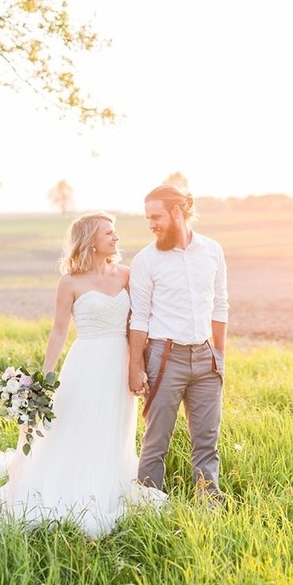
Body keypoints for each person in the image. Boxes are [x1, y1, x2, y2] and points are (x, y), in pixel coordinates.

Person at [0, 212, 166, 538]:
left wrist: (138, 365)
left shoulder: (126, 274)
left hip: (118, 364)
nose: (116, 238)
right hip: (86, 362)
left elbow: (140, 322)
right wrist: (43, 379)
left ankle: (106, 482)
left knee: (113, 428)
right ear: (90, 241)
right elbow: (58, 332)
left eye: (114, 232)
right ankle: (70, 484)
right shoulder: (70, 282)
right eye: (108, 233)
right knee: (75, 424)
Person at [128, 184, 229, 503]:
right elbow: (139, 317)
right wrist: (136, 366)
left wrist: (219, 354)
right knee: (156, 440)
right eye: (148, 218)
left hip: (205, 358)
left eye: (156, 216)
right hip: (164, 357)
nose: (151, 224)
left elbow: (221, 305)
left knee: (207, 440)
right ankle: (148, 503)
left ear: (177, 212)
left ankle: (208, 503)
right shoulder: (146, 260)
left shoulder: (212, 250)